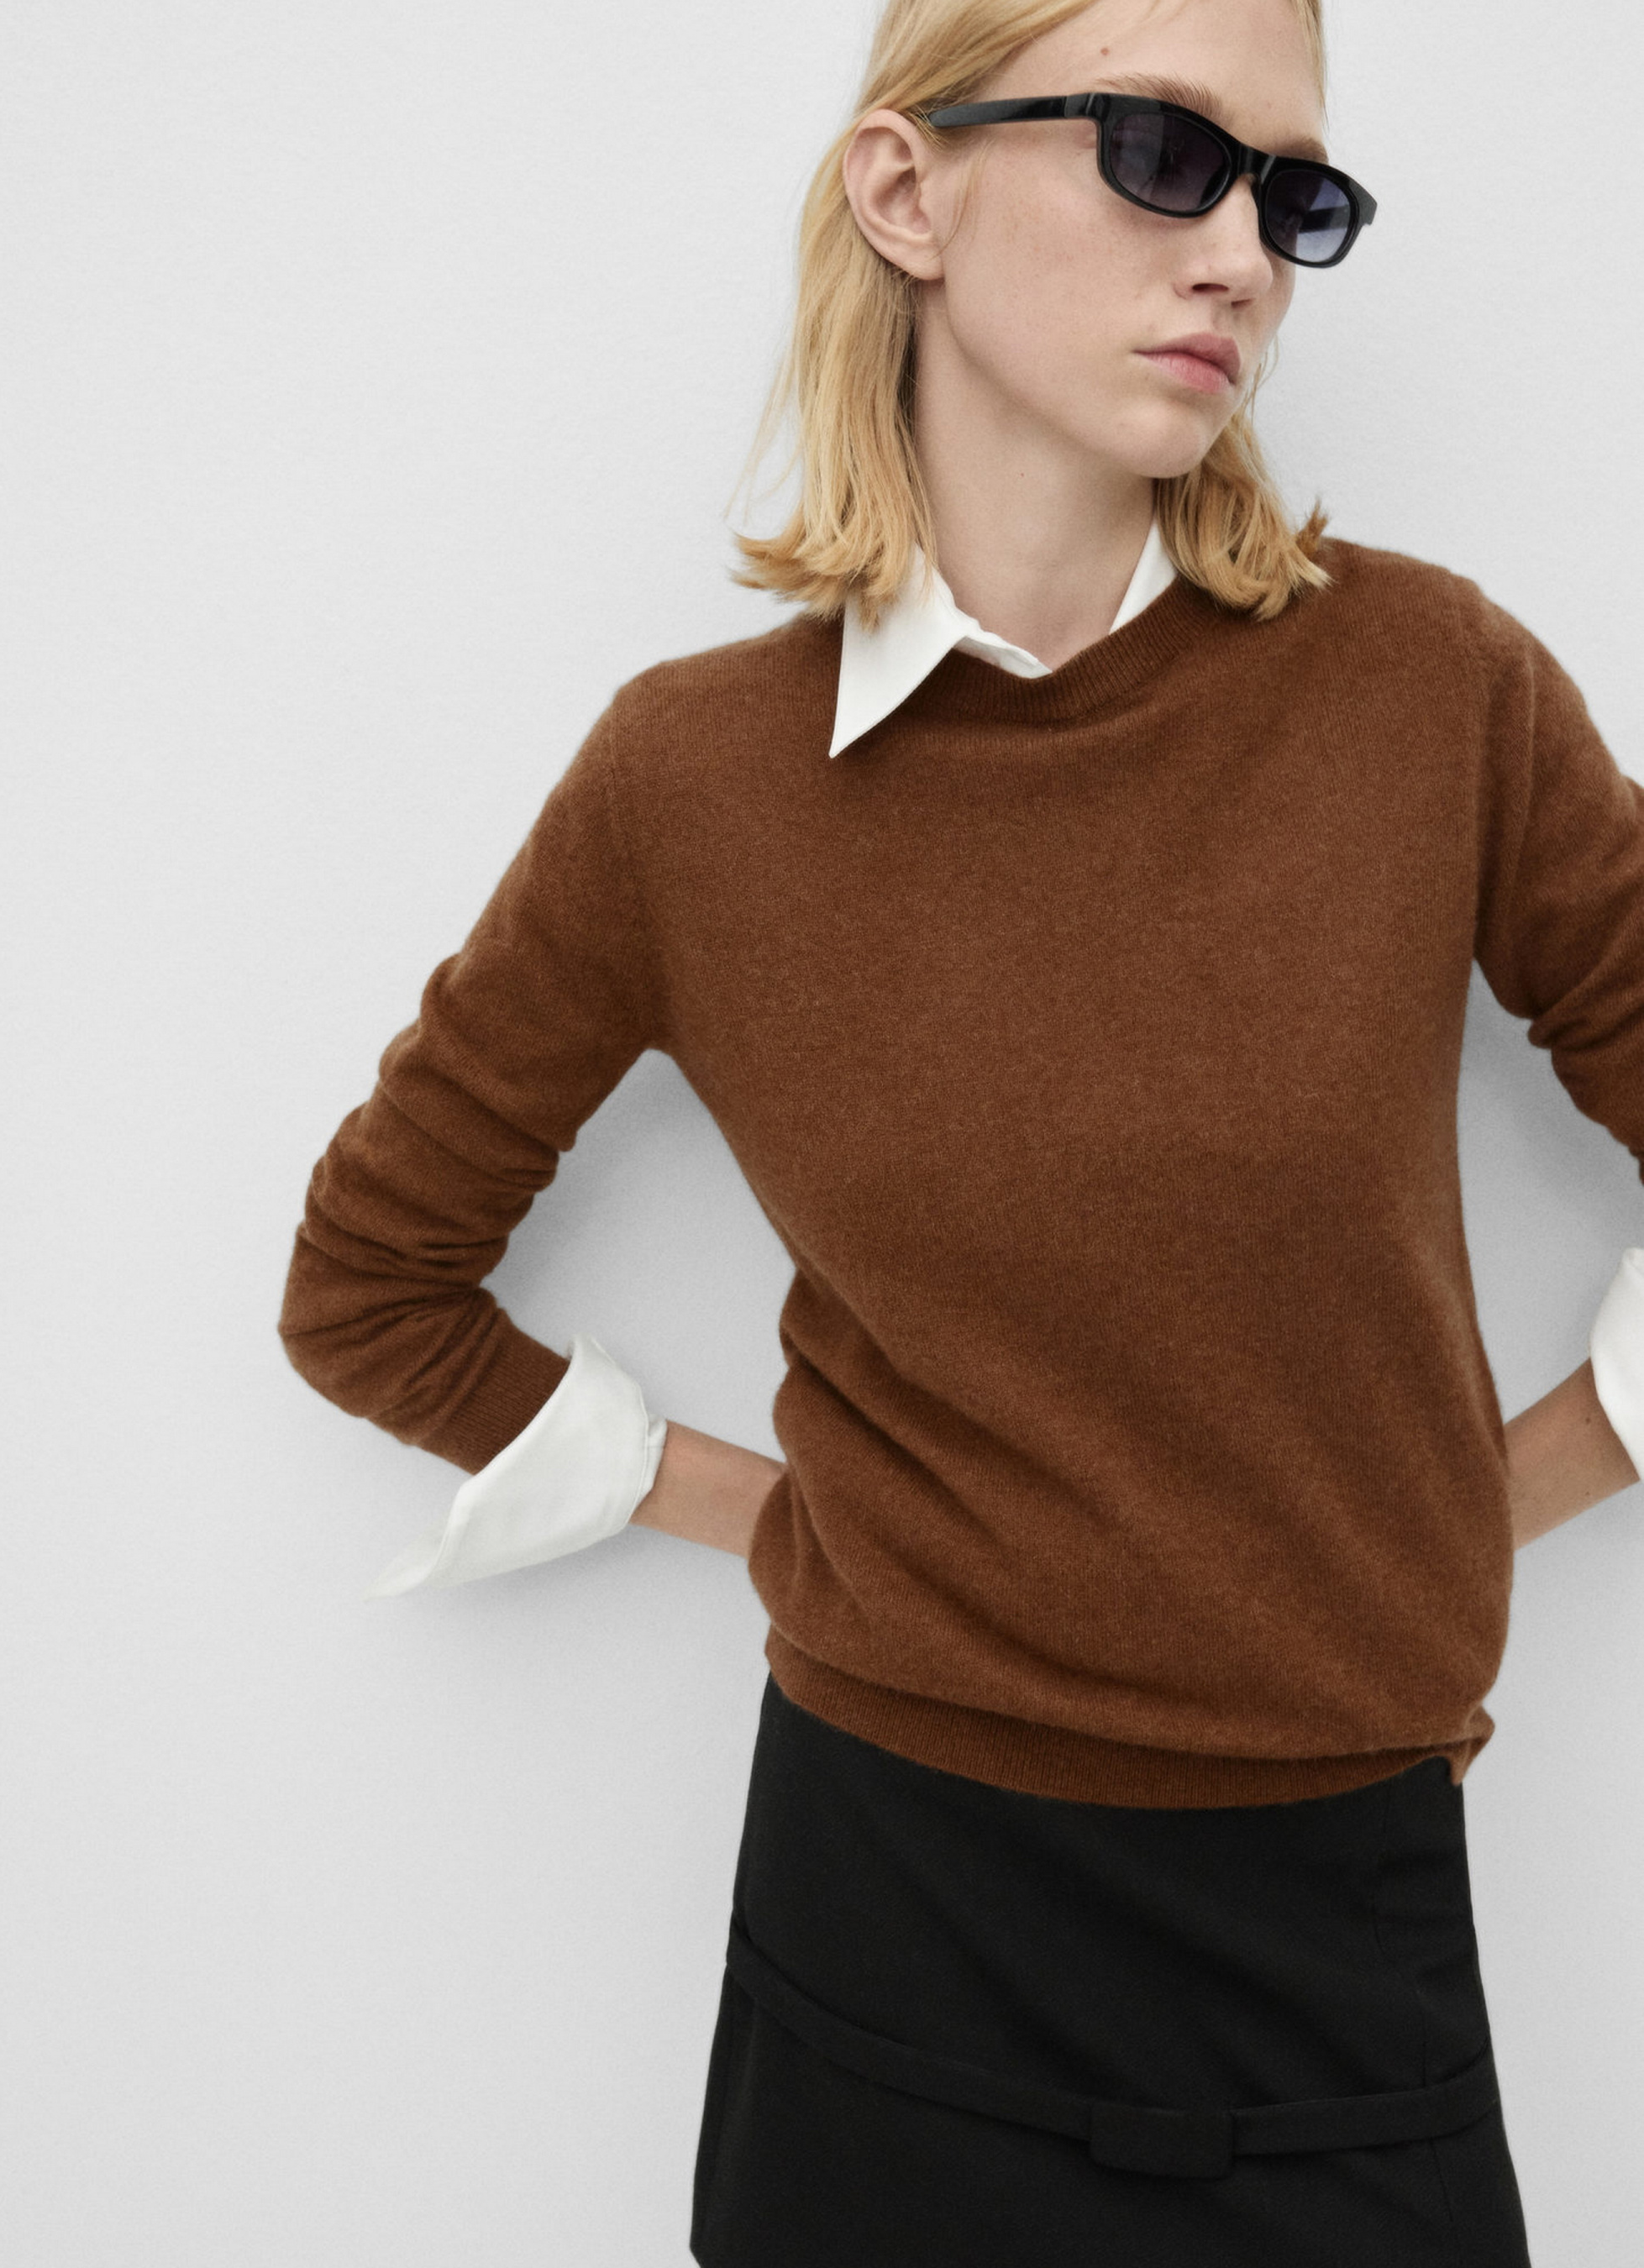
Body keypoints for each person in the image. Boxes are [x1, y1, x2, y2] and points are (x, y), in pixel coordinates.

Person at [277, 0, 1644, 2258]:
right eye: (1160, 153)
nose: (1240, 255)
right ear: (904, 189)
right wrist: (785, 1523)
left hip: (1337, 1935)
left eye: (1294, 196)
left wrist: (1467, 1507)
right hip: (883, 1931)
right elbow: (368, 1287)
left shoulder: (1435, 694)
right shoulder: (691, 785)